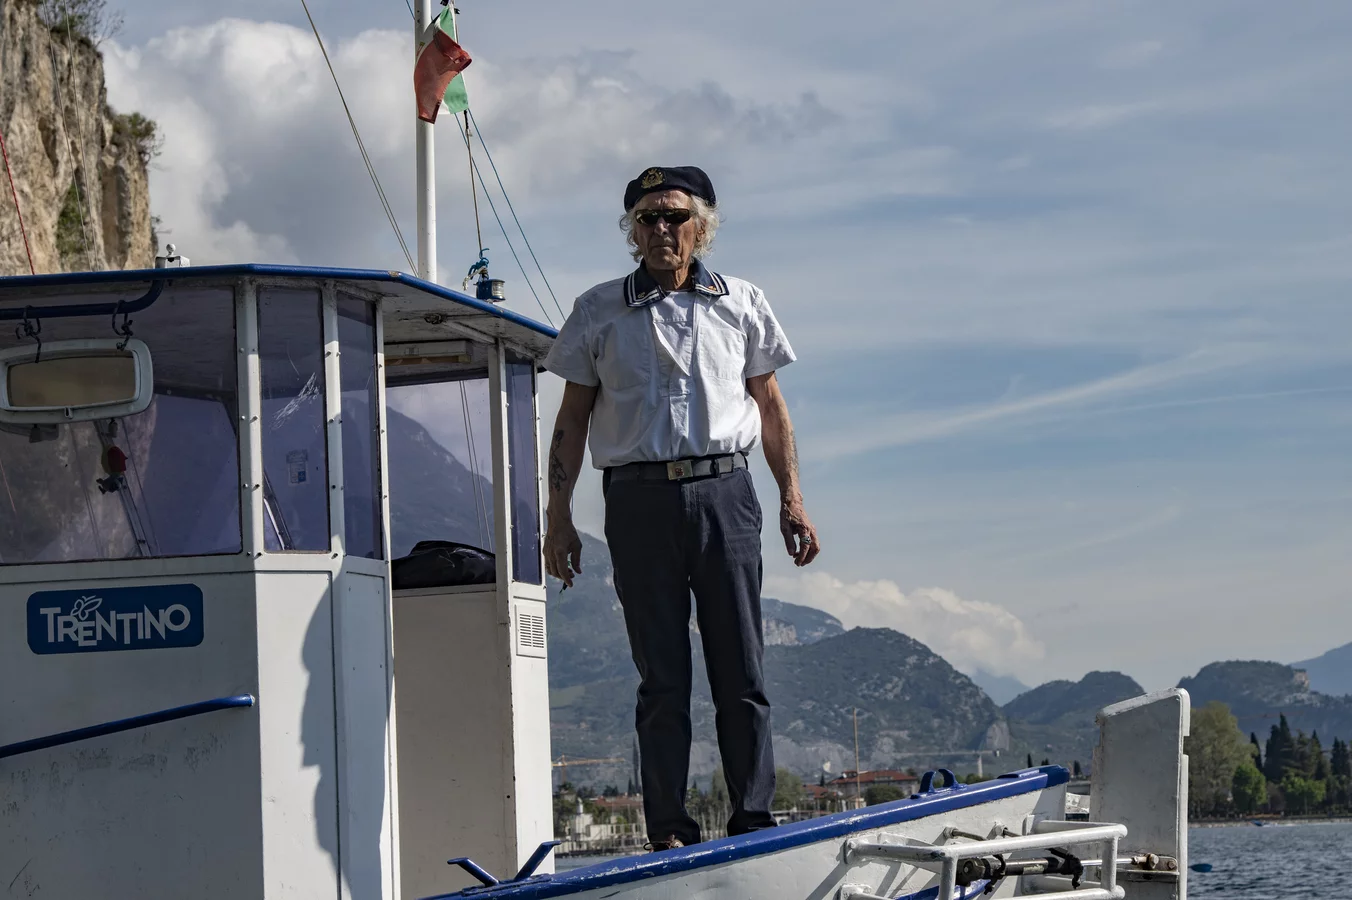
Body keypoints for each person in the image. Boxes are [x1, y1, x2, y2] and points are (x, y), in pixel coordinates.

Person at [542, 165, 820, 850]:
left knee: (742, 669)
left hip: (726, 493)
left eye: (675, 216)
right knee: (661, 677)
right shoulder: (597, 310)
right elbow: (571, 421)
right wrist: (557, 516)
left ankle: (753, 821)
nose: (662, 228)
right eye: (648, 218)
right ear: (632, 233)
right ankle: (669, 829)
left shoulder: (742, 302)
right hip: (637, 501)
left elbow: (771, 408)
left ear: (702, 228)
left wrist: (791, 498)